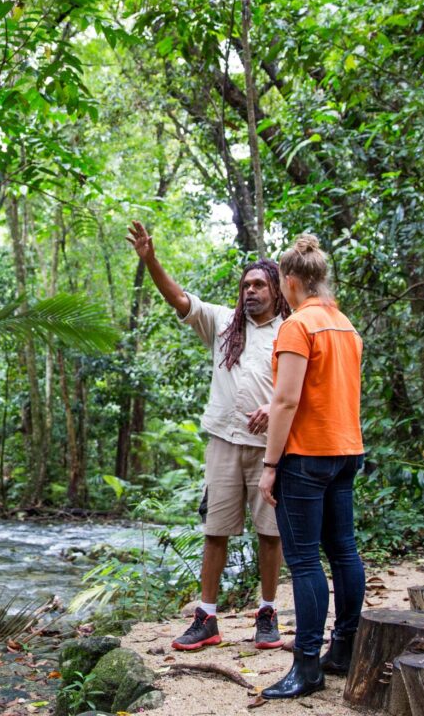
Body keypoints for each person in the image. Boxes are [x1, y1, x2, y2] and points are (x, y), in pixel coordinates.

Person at [125, 220, 288, 652]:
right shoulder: (223, 322)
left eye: (258, 284)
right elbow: (179, 299)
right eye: (245, 285)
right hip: (223, 440)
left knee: (270, 533)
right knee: (215, 530)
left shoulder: (291, 330)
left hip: (271, 449)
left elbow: (304, 387)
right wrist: (151, 260)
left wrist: (274, 408)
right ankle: (207, 617)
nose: (250, 290)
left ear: (275, 289)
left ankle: (267, 612)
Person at [257, 234, 366, 700]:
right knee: (344, 550)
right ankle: (343, 650)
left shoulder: (297, 326)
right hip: (346, 451)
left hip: (306, 456)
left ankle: (307, 666)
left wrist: (269, 464)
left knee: (303, 561)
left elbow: (285, 400)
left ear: (291, 281)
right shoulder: (345, 326)